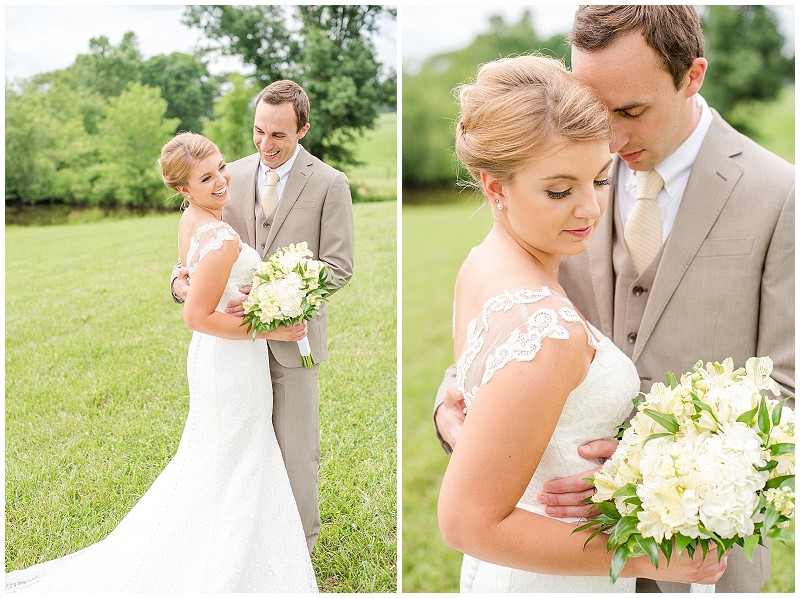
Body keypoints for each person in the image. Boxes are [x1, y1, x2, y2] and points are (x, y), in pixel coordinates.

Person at [434, 5, 794, 593]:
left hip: (701, 549)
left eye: (631, 111)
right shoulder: (562, 165)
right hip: (556, 550)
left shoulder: (780, 195)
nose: (611, 136)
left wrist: (648, 468)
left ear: (692, 76)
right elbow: (511, 327)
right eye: (595, 109)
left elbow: (787, 390)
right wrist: (456, 408)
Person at [6, 133, 318, 592]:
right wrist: (271, 327)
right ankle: (222, 559)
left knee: (222, 453)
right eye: (205, 178)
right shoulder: (221, 237)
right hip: (230, 361)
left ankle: (232, 541)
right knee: (238, 452)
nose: (220, 182)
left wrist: (260, 293)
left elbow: (196, 280)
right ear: (182, 189)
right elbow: (197, 316)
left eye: (220, 168)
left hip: (221, 359)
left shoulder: (195, 221)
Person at [171, 80, 355, 553]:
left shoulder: (330, 183)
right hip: (234, 348)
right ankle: (243, 542)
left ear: (303, 130)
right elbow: (193, 253)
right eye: (258, 132)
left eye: (279, 135)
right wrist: (178, 284)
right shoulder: (225, 175)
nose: (265, 145)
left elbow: (338, 267)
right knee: (240, 447)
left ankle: (299, 548)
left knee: (296, 453)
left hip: (293, 338)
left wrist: (277, 295)